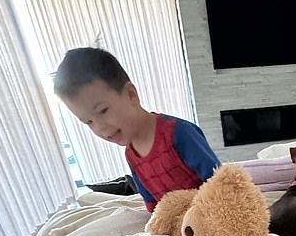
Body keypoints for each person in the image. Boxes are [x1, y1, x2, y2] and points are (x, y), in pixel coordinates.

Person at [53, 47, 220, 212]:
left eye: (103, 111)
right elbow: (152, 204)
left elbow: (219, 182)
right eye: (88, 121)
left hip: (209, 216)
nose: (100, 127)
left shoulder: (179, 133)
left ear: (131, 94)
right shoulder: (131, 154)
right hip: (178, 225)